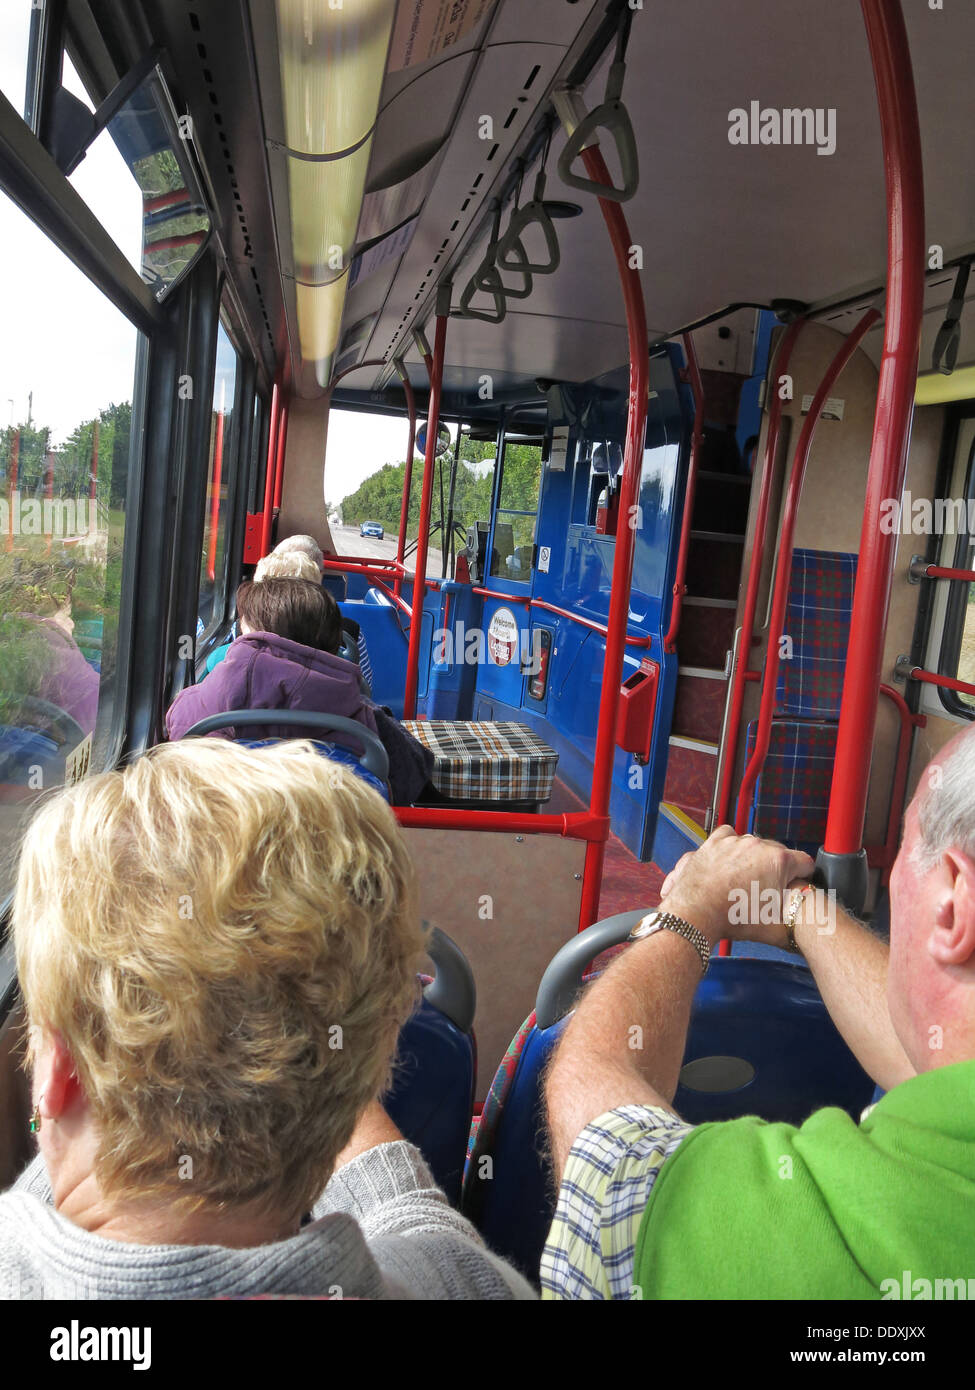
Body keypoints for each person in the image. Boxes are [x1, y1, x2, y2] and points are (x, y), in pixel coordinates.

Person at [0, 738, 534, 1300]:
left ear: (59, 1070)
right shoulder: (462, 1287)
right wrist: (316, 1068)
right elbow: (442, 1246)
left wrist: (78, 1102)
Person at [542, 725, 975, 1299]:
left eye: (901, 854)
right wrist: (801, 911)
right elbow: (933, 1046)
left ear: (952, 903)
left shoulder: (821, 1233)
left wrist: (691, 913)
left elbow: (596, 1147)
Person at [167, 578, 432, 804]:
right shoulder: (363, 714)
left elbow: (178, 725)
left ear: (252, 635)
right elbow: (410, 774)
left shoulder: (211, 699)